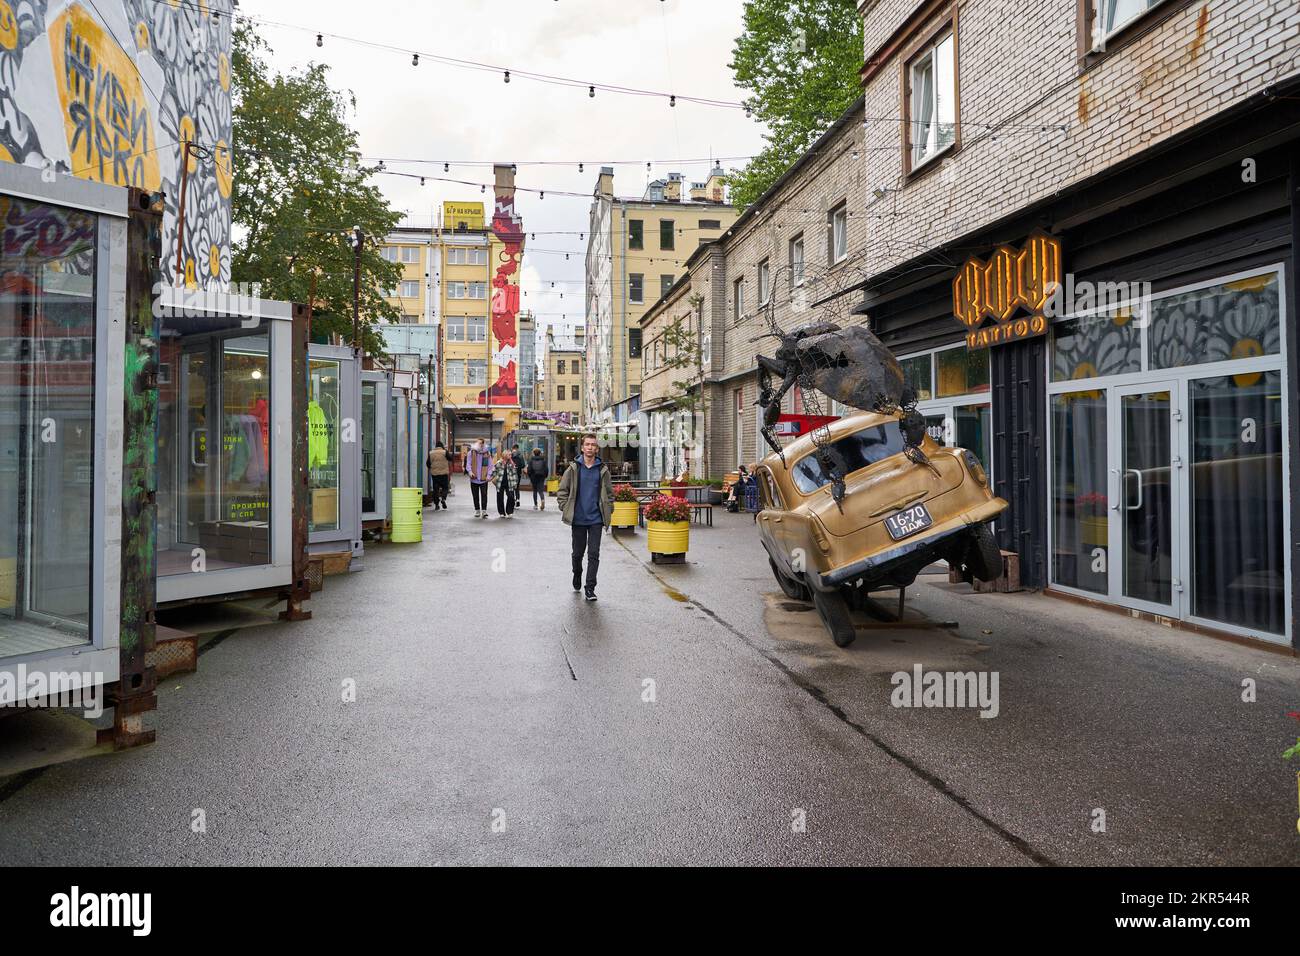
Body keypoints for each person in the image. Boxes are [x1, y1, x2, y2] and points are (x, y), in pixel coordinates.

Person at [557, 433, 613, 602]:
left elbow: (609, 494)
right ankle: (577, 574)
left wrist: (608, 509)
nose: (590, 447)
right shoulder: (574, 468)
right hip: (578, 519)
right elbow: (562, 491)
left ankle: (590, 588)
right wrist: (565, 508)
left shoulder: (602, 470)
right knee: (577, 554)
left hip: (596, 519)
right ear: (582, 447)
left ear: (597, 448)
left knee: (594, 554)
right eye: (587, 444)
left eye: (593, 445)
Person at [464, 438, 493, 519]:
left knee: (484, 495)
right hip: (474, 478)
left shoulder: (487, 453)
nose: (479, 445)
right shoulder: (471, 452)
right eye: (478, 443)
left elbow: (490, 466)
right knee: (475, 495)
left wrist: (488, 476)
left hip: (484, 479)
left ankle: (484, 511)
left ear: (483, 444)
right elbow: (468, 464)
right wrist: (470, 472)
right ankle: (477, 510)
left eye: (481, 443)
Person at [491, 448, 521, 518]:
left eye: (511, 454)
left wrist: (515, 483)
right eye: (509, 454)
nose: (511, 456)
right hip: (500, 482)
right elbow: (494, 471)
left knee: (511, 496)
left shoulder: (512, 463)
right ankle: (501, 512)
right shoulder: (499, 463)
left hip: (509, 482)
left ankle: (509, 511)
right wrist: (490, 477)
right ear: (505, 455)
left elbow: (514, 474)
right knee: (500, 498)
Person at [426, 441, 452, 510]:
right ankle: (443, 499)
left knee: (435, 489)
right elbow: (450, 459)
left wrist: (432, 468)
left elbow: (428, 464)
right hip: (444, 473)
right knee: (445, 487)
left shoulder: (431, 453)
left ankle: (436, 504)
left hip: (435, 474)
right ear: (442, 446)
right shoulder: (444, 452)